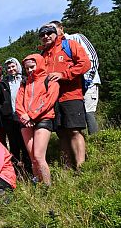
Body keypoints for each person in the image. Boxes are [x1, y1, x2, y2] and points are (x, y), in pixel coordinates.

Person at [39, 23, 90, 169]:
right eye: (42, 35)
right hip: (52, 99)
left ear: (56, 33)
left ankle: (81, 167)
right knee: (61, 132)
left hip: (71, 95)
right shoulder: (43, 55)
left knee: (74, 130)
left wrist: (63, 75)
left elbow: (85, 63)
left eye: (49, 33)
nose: (46, 36)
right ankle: (67, 166)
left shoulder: (69, 45)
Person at [15, 54, 60, 185]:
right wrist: (23, 115)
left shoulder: (50, 80)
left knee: (40, 156)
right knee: (33, 158)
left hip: (43, 119)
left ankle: (47, 186)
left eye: (32, 67)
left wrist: (32, 115)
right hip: (26, 121)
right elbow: (18, 102)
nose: (29, 71)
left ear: (39, 64)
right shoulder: (25, 83)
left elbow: (49, 101)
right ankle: (37, 184)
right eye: (27, 68)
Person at [50, 20, 101, 135]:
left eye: (53, 29)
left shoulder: (76, 38)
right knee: (74, 118)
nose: (50, 33)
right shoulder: (53, 49)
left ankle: (96, 140)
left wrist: (88, 80)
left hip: (88, 82)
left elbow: (92, 59)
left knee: (89, 112)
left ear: (61, 28)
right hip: (70, 88)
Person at [0, 58, 31, 172]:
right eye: (9, 68)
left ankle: (28, 170)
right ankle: (15, 171)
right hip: (9, 119)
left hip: (24, 118)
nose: (11, 69)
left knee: (26, 145)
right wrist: (4, 109)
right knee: (14, 146)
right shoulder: (3, 84)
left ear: (18, 66)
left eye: (13, 66)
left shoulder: (25, 80)